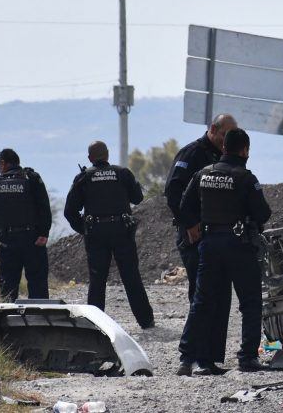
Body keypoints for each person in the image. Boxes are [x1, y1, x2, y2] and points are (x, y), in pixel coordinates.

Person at [176, 128, 272, 375]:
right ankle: (248, 357)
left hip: (209, 245)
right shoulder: (245, 178)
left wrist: (196, 227)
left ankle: (190, 359)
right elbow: (263, 214)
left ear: (224, 148)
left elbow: (184, 208)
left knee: (203, 301)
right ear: (245, 150)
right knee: (250, 302)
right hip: (239, 245)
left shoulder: (202, 174)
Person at [164, 114, 236, 374]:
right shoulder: (192, 153)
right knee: (202, 297)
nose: (228, 141)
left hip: (218, 237)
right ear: (214, 130)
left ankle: (208, 359)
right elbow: (172, 192)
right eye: (226, 134)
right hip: (194, 237)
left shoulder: (225, 156)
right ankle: (189, 358)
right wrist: (189, 223)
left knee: (220, 297)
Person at [64, 141, 155, 329]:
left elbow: (70, 211)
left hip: (96, 233)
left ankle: (94, 324)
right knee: (131, 276)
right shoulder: (122, 173)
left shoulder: (83, 177)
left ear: (90, 158)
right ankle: (146, 321)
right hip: (122, 231)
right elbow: (138, 198)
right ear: (107, 155)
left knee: (97, 280)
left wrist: (84, 228)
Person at [0, 148, 52, 302]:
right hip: (32, 240)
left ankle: (9, 321)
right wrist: (44, 233)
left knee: (8, 288)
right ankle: (40, 319)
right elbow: (44, 207)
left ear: (2, 163)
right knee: (37, 283)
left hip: (7, 242)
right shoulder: (32, 179)